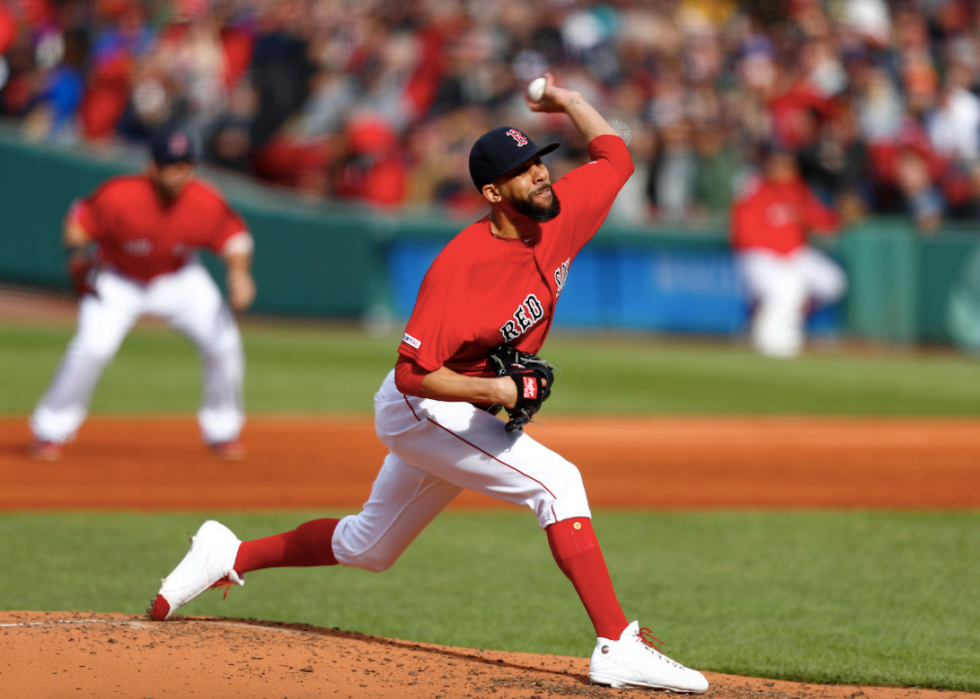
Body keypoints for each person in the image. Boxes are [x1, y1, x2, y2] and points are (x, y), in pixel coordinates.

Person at [148, 74, 710, 693]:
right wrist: (497, 393)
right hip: (423, 408)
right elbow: (412, 374)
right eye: (526, 170)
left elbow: (616, 155)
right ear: (494, 191)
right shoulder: (459, 270)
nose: (542, 175)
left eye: (541, 162)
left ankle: (228, 554)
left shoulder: (562, 212)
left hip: (459, 408)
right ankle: (615, 644)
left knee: (370, 547)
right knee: (560, 484)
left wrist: (567, 103)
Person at [28, 127, 256, 461]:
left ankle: (222, 430)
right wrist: (76, 256)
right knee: (92, 348)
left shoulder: (204, 199)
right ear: (152, 167)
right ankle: (50, 430)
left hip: (179, 277)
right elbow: (79, 221)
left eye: (186, 164)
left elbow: (237, 239)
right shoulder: (119, 195)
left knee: (224, 343)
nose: (180, 173)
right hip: (118, 277)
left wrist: (239, 273)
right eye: (171, 164)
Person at [731, 143, 848, 358]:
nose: (783, 169)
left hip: (793, 255)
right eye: (777, 163)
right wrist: (778, 255)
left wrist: (840, 216)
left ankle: (788, 319)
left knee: (833, 281)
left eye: (787, 164)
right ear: (768, 165)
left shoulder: (797, 189)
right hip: (759, 256)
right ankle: (770, 340)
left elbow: (818, 219)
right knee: (787, 287)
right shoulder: (753, 188)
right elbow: (741, 234)